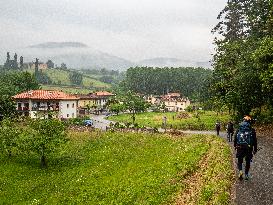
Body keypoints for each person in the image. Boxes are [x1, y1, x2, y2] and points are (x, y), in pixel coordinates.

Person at [234, 115, 257, 180]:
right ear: (249, 122)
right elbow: (255, 140)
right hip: (249, 148)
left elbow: (235, 137)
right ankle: (246, 174)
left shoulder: (239, 128)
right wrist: (255, 149)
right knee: (248, 161)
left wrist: (235, 145)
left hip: (240, 146)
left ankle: (240, 171)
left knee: (240, 160)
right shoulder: (252, 129)